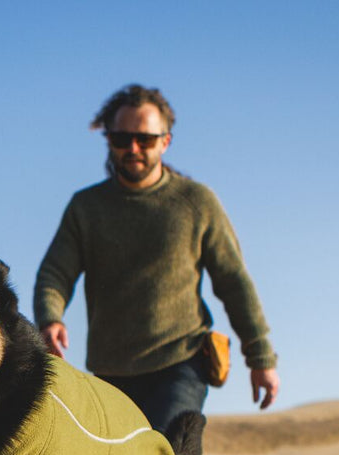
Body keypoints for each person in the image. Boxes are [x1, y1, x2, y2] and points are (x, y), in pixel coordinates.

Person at [34, 84, 280, 430]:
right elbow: (54, 274)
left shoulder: (196, 202)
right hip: (110, 372)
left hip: (181, 363)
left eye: (145, 139)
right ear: (109, 141)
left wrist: (261, 358)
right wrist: (50, 318)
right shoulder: (86, 208)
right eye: (121, 139)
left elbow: (234, 282)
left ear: (165, 141)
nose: (133, 148)